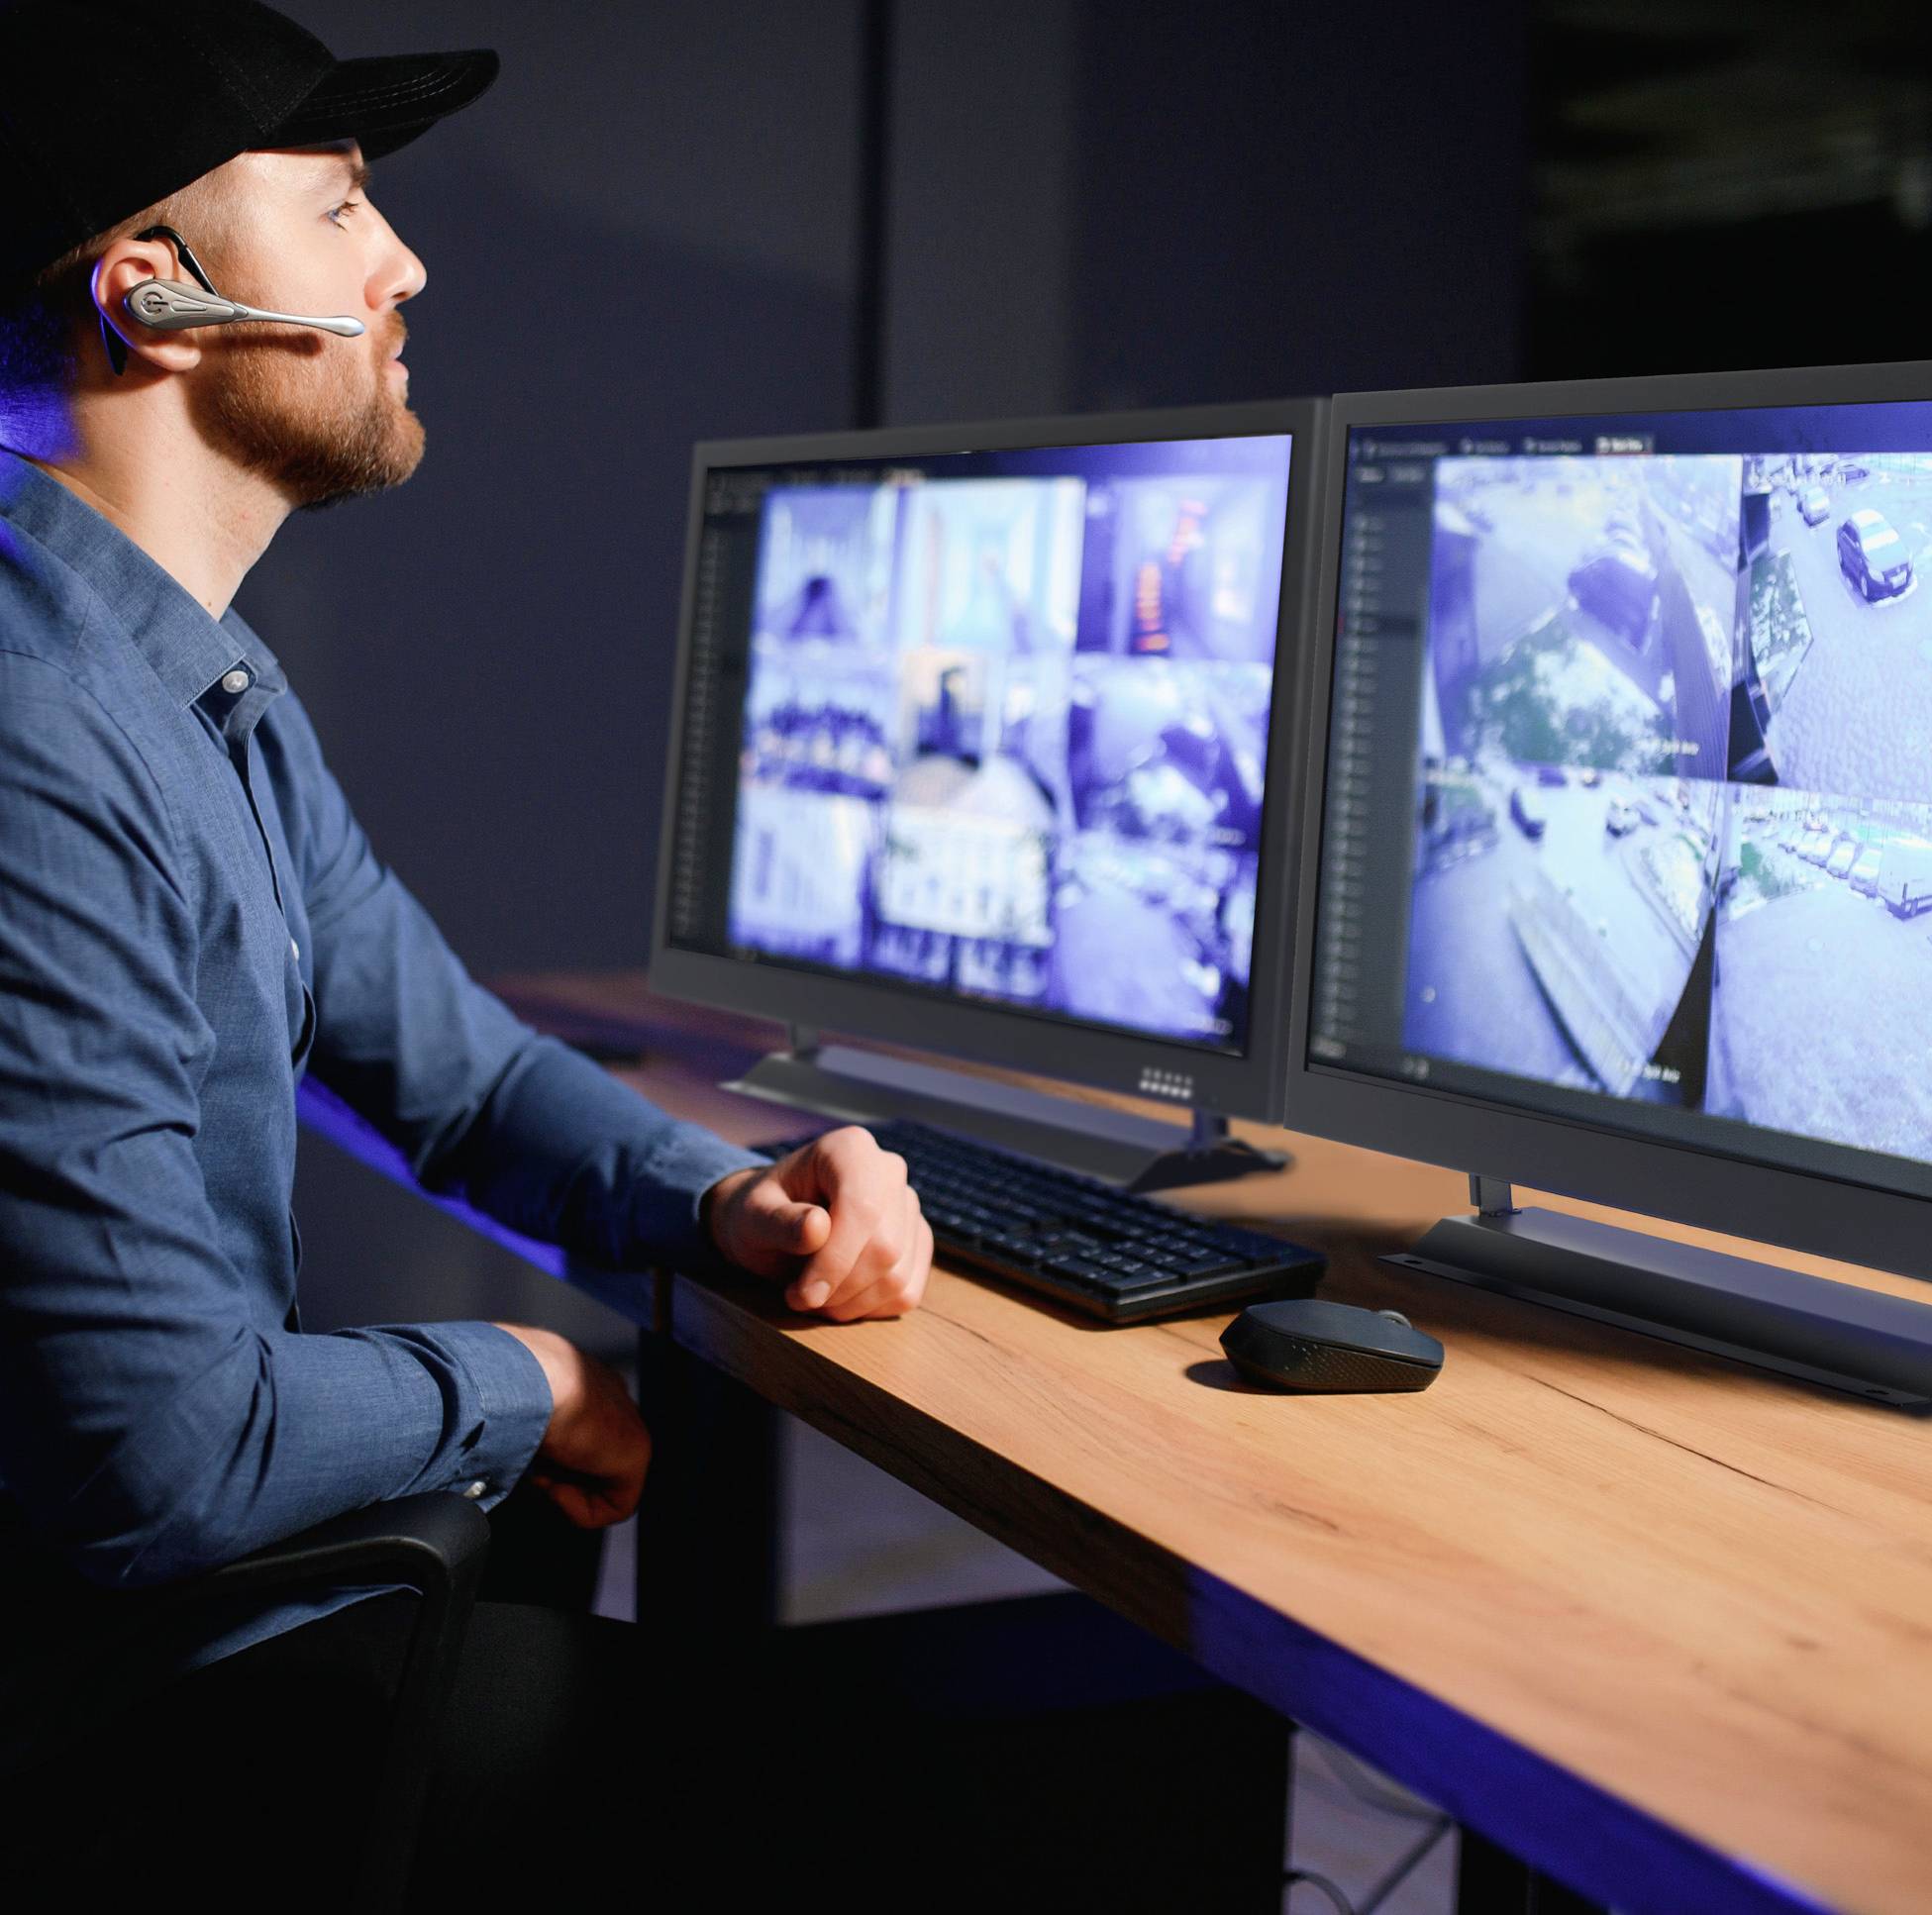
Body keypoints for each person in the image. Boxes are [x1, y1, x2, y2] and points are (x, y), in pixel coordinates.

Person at [0, 5, 1283, 1905]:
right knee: (1068, 1778)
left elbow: (453, 1067)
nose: (405, 259)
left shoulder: (198, 690)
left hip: (172, 1646)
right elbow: (164, 1455)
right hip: (118, 1735)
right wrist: (536, 1375)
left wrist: (731, 1199)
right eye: (344, 207)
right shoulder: (36, 736)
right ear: (153, 293)